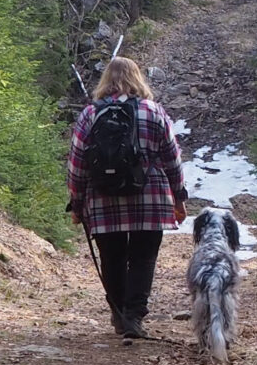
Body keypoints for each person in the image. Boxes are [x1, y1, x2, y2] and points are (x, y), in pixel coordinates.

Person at [65, 57, 188, 339]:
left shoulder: (90, 114)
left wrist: (77, 201)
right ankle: (134, 316)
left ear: (106, 80)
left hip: (103, 199)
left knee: (112, 258)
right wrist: (179, 197)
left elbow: (77, 163)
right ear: (137, 79)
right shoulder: (154, 111)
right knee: (143, 258)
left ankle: (119, 314)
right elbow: (172, 159)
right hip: (150, 199)